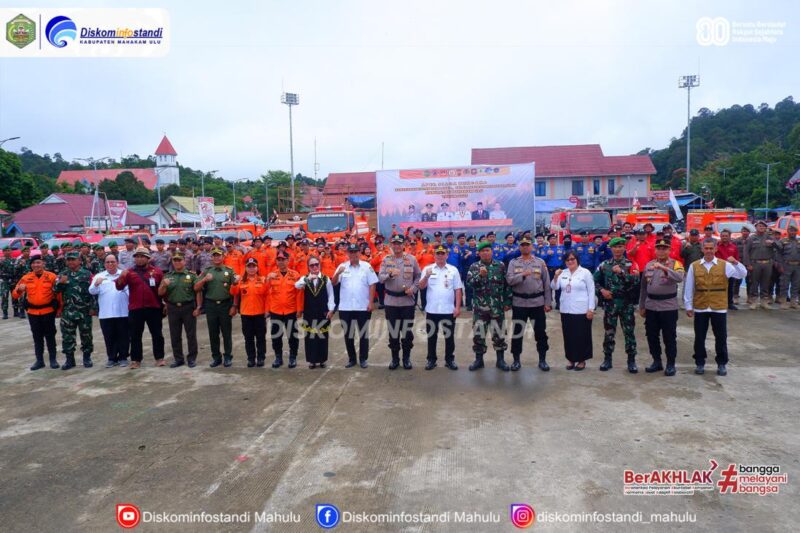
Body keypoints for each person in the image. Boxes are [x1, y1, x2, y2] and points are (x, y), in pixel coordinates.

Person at [684, 238, 747, 375]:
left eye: (711, 248)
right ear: (702, 249)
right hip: (701, 306)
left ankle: (721, 363)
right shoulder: (694, 266)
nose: (708, 251)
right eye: (706, 248)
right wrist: (688, 305)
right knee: (699, 337)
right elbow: (689, 287)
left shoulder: (724, 265)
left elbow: (742, 274)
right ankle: (700, 362)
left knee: (721, 337)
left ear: (715, 249)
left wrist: (736, 262)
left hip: (719, 306)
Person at [594, 237, 640, 373]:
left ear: (625, 248)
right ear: (611, 248)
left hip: (626, 303)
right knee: (609, 332)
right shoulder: (604, 265)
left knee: (629, 332)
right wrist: (602, 291)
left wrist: (622, 273)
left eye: (621, 247)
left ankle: (631, 360)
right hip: (610, 303)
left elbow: (636, 281)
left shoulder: (631, 264)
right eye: (615, 247)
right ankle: (607, 359)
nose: (618, 249)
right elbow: (594, 281)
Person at [639, 239, 684, 376]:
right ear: (655, 250)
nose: (661, 251)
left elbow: (679, 277)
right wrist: (642, 305)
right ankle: (657, 361)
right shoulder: (649, 265)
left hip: (668, 307)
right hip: (651, 306)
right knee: (652, 335)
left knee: (669, 336)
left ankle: (670, 364)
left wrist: (664, 268)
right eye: (659, 248)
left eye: (664, 248)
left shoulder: (676, 264)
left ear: (669, 250)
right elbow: (643, 288)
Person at [506, 237, 552, 371]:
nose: (525, 247)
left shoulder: (540, 262)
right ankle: (516, 360)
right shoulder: (513, 263)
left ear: (532, 247)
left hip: (537, 303)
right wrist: (522, 275)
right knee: (517, 332)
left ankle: (542, 360)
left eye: (527, 245)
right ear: (519, 247)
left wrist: (548, 302)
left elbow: (546, 283)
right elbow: (509, 280)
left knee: (540, 332)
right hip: (519, 303)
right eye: (523, 245)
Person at [116, 247, 165, 369]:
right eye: (137, 256)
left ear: (148, 258)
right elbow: (119, 287)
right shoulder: (129, 272)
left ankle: (159, 358)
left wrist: (166, 304)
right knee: (135, 335)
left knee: (157, 334)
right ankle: (136, 360)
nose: (139, 259)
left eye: (142, 256)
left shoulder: (157, 272)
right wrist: (121, 277)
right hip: (136, 308)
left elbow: (163, 291)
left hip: (154, 307)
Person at [466, 241, 511, 371]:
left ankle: (500, 360)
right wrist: (480, 276)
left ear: (492, 252)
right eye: (483, 251)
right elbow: (469, 284)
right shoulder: (474, 266)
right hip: (480, 309)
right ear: (479, 253)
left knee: (499, 334)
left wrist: (507, 302)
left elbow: (506, 285)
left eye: (488, 250)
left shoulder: (500, 265)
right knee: (479, 335)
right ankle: (479, 360)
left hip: (497, 307)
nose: (486, 253)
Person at [378, 234, 421, 370]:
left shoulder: (411, 259)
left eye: (399, 243)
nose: (397, 246)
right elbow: (380, 278)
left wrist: (413, 289)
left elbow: (418, 276)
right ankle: (395, 358)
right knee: (393, 331)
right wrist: (389, 275)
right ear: (391, 245)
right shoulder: (386, 260)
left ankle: (406, 358)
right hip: (391, 302)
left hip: (407, 301)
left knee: (407, 332)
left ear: (403, 245)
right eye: (394, 243)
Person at [332, 244, 378, 368]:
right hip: (345, 307)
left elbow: (372, 284)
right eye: (351, 252)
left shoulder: (367, 266)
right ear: (348, 254)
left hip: (362, 306)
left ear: (359, 253)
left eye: (356, 252)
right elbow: (334, 282)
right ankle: (352, 359)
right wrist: (337, 274)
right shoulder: (342, 266)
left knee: (363, 334)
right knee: (348, 334)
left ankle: (363, 359)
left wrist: (371, 302)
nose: (353, 254)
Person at [418, 244, 462, 370]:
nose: (440, 256)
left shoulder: (453, 270)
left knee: (449, 337)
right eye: (438, 253)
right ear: (434, 255)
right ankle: (431, 360)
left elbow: (458, 289)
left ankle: (449, 360)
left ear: (447, 255)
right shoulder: (428, 269)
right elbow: (421, 287)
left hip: (448, 310)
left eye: (443, 253)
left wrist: (457, 307)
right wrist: (426, 276)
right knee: (432, 336)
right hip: (432, 310)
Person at [12, 256, 60, 370]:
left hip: (48, 311)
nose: (36, 265)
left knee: (50, 336)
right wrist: (19, 289)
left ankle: (53, 359)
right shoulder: (26, 278)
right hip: (33, 312)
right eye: (33, 263)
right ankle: (39, 361)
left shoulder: (52, 277)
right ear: (31, 265)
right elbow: (15, 294)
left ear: (43, 263)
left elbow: (59, 294)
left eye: (38, 263)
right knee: (37, 337)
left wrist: (59, 310)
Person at [552, 251, 595, 370]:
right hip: (566, 309)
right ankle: (571, 359)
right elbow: (555, 287)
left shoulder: (585, 273)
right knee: (568, 335)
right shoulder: (563, 273)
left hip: (581, 309)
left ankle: (581, 360)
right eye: (568, 260)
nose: (570, 261)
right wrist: (555, 276)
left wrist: (590, 309)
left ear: (577, 260)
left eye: (572, 259)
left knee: (581, 336)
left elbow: (591, 291)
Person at [53, 251, 97, 370]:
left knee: (86, 335)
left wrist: (94, 308)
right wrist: (60, 283)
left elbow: (93, 292)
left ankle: (87, 358)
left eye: (73, 259)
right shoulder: (63, 274)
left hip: (84, 311)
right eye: (69, 260)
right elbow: (54, 291)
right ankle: (69, 360)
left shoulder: (87, 274)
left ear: (79, 261)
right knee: (67, 336)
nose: (71, 262)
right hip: (68, 311)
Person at [195, 248, 238, 367]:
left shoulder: (229, 271)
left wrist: (234, 305)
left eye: (219, 255)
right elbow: (196, 288)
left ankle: (228, 357)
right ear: (211, 258)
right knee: (213, 333)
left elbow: (235, 289)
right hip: (211, 305)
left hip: (225, 305)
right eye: (214, 256)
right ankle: (216, 357)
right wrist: (204, 279)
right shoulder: (206, 271)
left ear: (223, 257)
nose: (217, 258)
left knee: (226, 333)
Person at [159, 253, 202, 368]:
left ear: (184, 261)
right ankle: (178, 359)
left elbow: (198, 291)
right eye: (175, 260)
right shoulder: (168, 276)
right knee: (175, 335)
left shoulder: (191, 276)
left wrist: (198, 307)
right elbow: (160, 293)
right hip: (173, 308)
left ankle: (192, 358)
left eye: (179, 260)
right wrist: (163, 285)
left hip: (188, 307)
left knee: (191, 334)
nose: (177, 262)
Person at [88, 255, 130, 368]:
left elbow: (131, 292)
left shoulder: (124, 274)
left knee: (123, 336)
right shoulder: (99, 276)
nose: (110, 264)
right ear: (104, 264)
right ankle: (112, 358)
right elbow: (92, 291)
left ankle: (123, 357)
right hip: (106, 314)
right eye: (107, 262)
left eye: (112, 262)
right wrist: (96, 283)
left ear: (117, 262)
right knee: (109, 337)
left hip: (123, 312)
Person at [295, 256, 336, 368]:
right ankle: (312, 360)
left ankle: (322, 359)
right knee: (311, 336)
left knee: (322, 335)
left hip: (323, 311)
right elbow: (297, 285)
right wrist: (308, 279)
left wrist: (331, 309)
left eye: (316, 264)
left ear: (320, 265)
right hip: (310, 311)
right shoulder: (305, 278)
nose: (314, 267)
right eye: (312, 265)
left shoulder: (326, 278)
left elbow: (331, 295)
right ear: (308, 267)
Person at [266, 251, 303, 368]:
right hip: (275, 310)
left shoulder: (295, 275)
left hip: (290, 310)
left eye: (283, 259)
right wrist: (267, 279)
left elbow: (299, 294)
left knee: (292, 335)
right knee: (276, 335)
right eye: (279, 260)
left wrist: (299, 309)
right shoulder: (272, 275)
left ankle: (292, 357)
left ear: (288, 260)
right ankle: (278, 357)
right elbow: (265, 293)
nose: (281, 262)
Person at [231, 258, 269, 368]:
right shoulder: (241, 281)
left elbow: (267, 296)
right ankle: (251, 358)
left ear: (257, 268)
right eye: (249, 266)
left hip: (260, 314)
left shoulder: (263, 280)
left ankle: (261, 358)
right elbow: (233, 292)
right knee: (248, 338)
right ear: (246, 268)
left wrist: (267, 311)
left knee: (261, 338)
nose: (251, 269)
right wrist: (234, 282)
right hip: (246, 314)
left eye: (253, 266)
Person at [743, 220, 777, 309]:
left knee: (766, 283)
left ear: (766, 228)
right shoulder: (751, 238)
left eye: (763, 226)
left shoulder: (770, 237)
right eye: (759, 226)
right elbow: (746, 252)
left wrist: (773, 243)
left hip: (767, 263)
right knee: (754, 283)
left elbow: (779, 247)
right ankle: (754, 301)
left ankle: (764, 301)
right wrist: (748, 264)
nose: (761, 227)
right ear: (756, 227)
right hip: (755, 263)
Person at [715, 229, 740, 310]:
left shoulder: (734, 247)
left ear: (729, 237)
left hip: (730, 271)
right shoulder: (716, 246)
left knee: (730, 287)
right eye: (722, 236)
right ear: (720, 236)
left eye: (726, 236)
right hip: (718, 270)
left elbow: (736, 259)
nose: (724, 237)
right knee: (718, 287)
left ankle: (730, 303)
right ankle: (718, 302)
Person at [776, 225, 800, 309]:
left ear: (796, 232)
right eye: (791, 231)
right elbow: (778, 254)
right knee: (784, 284)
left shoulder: (799, 241)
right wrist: (780, 265)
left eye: (794, 231)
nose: (792, 233)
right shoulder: (783, 241)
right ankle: (783, 302)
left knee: (796, 284)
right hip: (786, 265)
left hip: (797, 266)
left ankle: (793, 302)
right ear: (788, 231)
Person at [1, 246, 19, 319]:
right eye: (6, 251)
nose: (8, 252)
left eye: (9, 250)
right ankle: (5, 313)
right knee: (4, 296)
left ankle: (16, 311)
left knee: (15, 295)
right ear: (3, 252)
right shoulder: (1, 261)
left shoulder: (15, 260)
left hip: (13, 280)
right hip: (5, 281)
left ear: (11, 251)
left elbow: (17, 270)